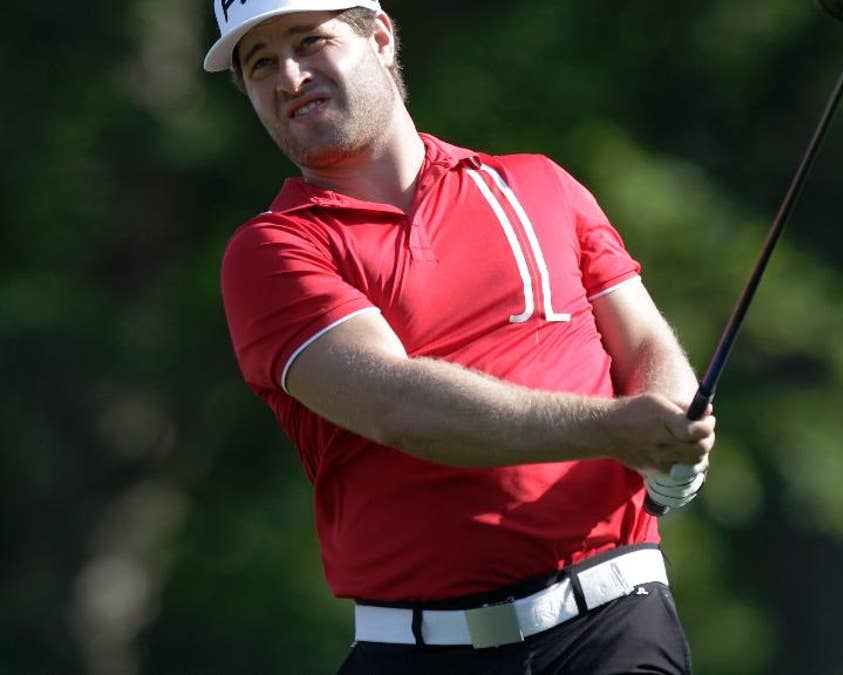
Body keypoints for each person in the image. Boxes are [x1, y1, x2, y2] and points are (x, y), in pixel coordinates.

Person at [204, 1, 715, 672]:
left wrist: (674, 432)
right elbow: (400, 406)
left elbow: (646, 342)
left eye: (310, 42)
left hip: (613, 628)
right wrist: (617, 428)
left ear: (380, 37)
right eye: (262, 63)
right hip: (414, 652)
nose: (291, 76)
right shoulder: (272, 251)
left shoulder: (539, 183)